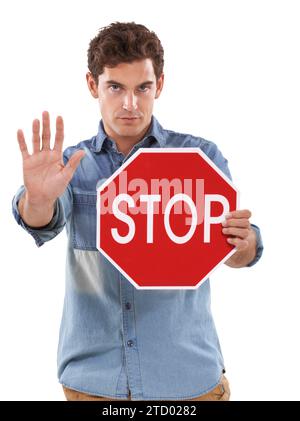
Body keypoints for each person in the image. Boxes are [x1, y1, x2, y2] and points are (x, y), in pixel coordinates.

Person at [12, 22, 263, 401]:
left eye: (142, 88)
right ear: (93, 85)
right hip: (94, 384)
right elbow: (41, 219)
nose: (130, 103)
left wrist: (242, 243)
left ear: (159, 85)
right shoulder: (70, 165)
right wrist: (38, 199)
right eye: (115, 87)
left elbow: (239, 250)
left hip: (189, 382)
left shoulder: (199, 158)